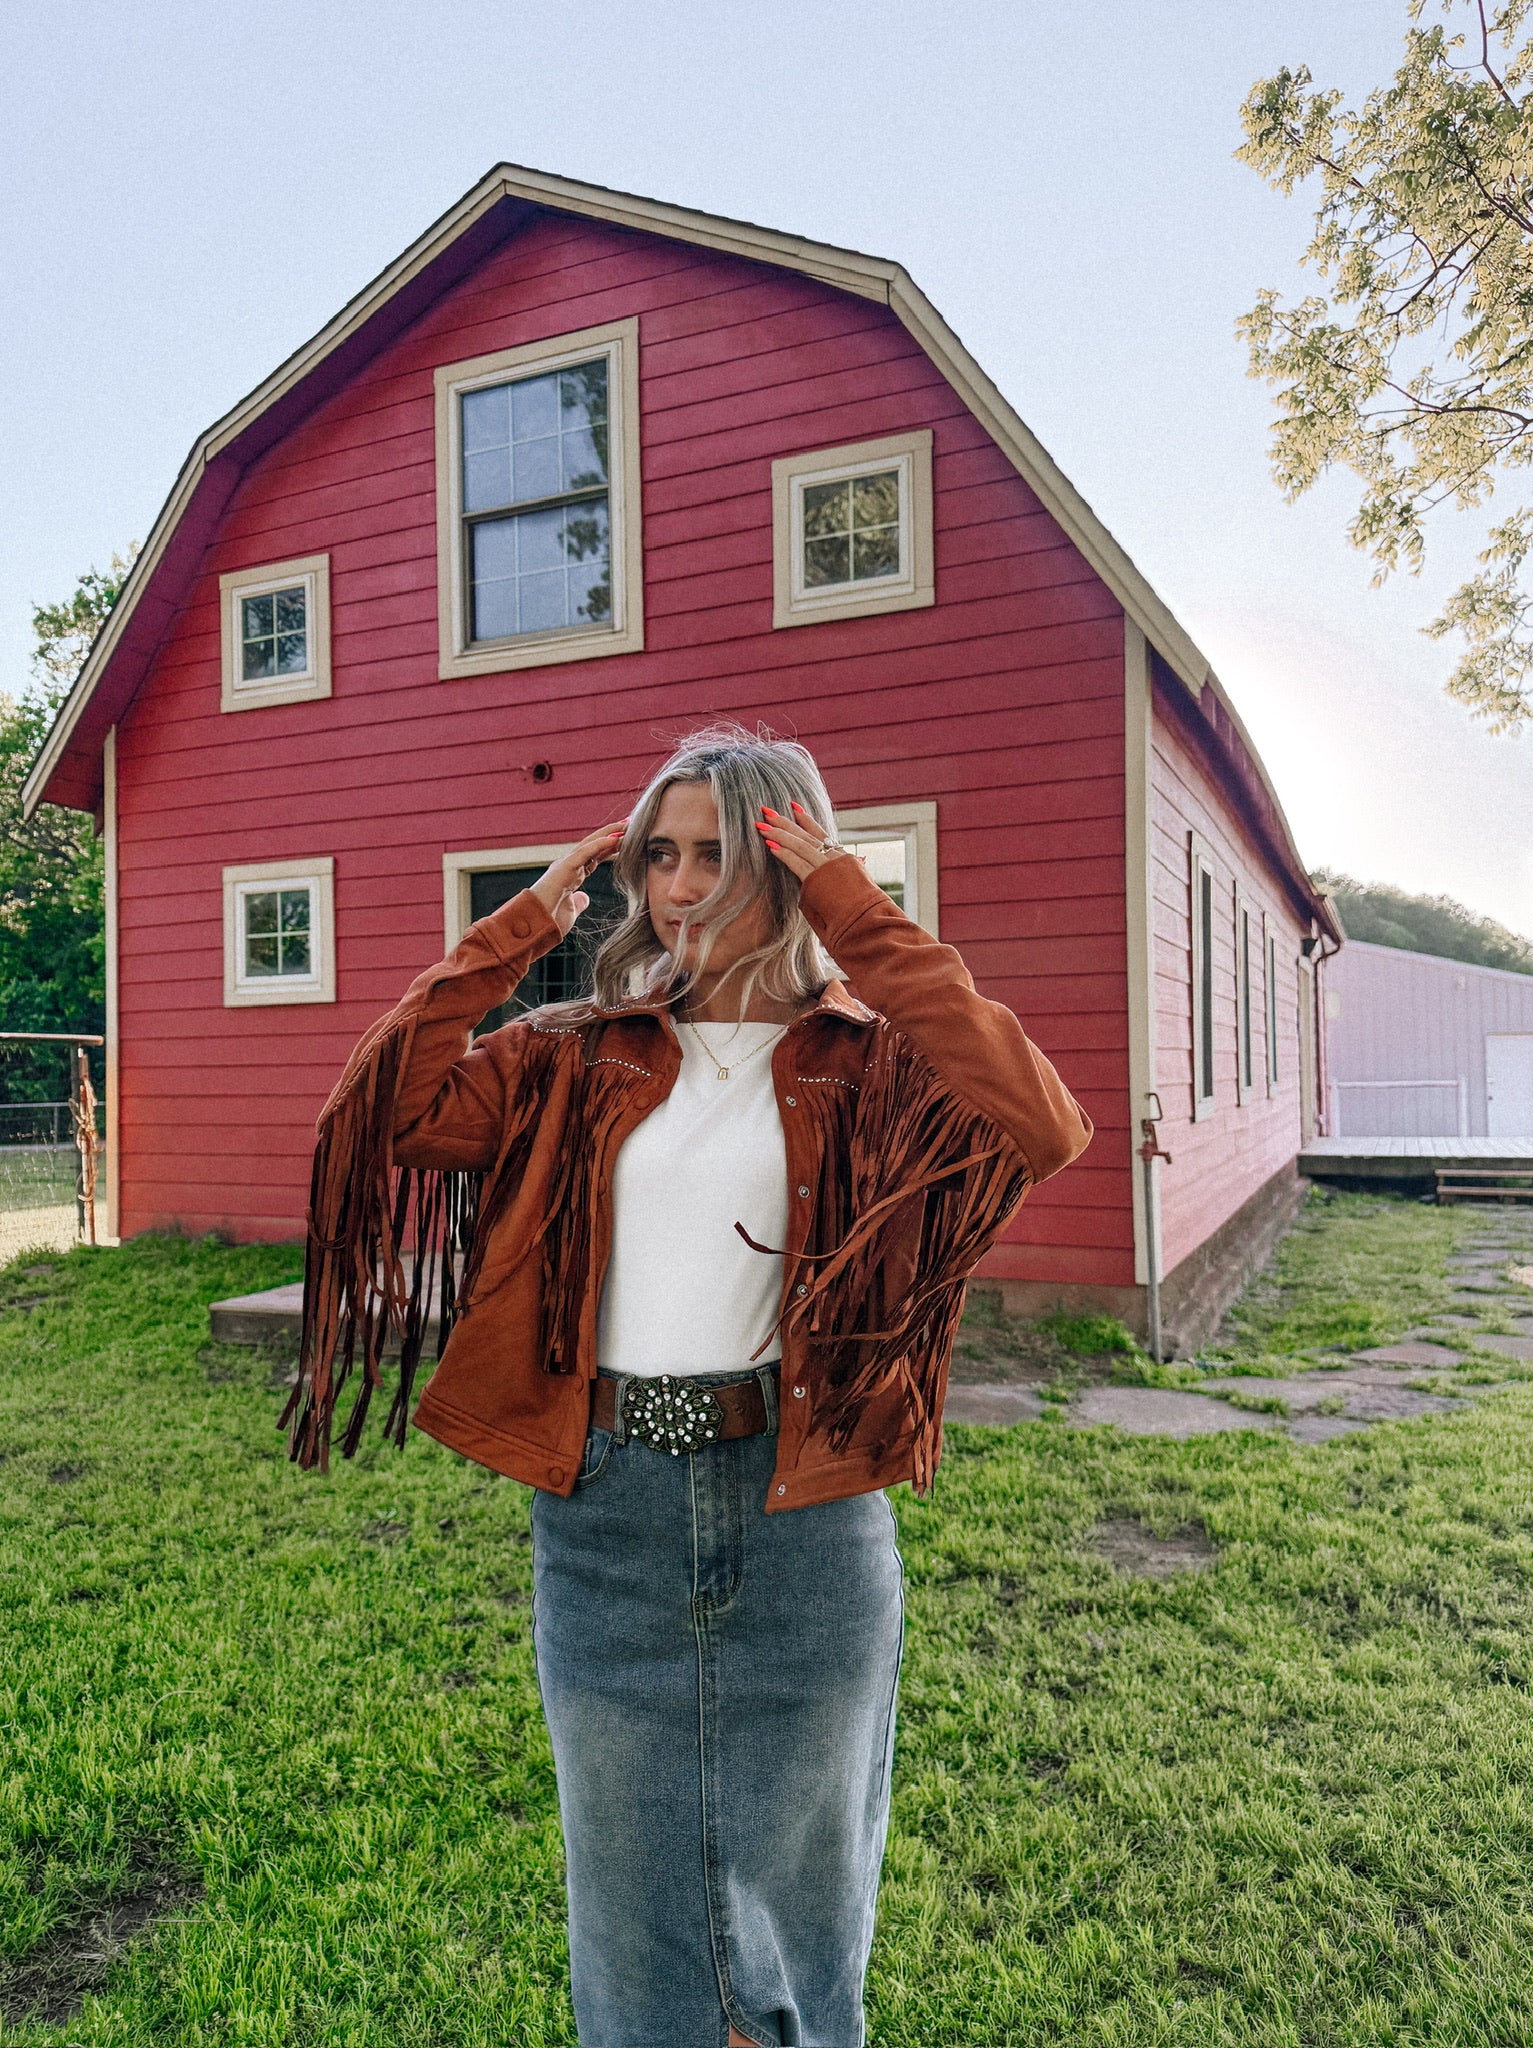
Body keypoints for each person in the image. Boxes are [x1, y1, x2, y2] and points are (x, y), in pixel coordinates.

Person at [290, 725, 1091, 2047]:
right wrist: (514, 930)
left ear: (789, 860)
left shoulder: (871, 1059)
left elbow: (1040, 1121)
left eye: (716, 852)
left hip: (805, 1515)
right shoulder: (568, 1050)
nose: (675, 884)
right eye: (657, 854)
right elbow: (372, 1118)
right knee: (631, 1897)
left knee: (805, 1893)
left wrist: (856, 908)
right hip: (605, 1512)